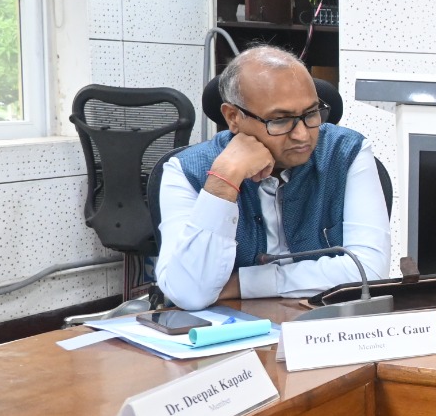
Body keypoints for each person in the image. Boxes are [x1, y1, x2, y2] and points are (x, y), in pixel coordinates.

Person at [155, 45, 391, 310]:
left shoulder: (346, 152)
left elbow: (370, 269)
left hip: (325, 325)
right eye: (280, 120)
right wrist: (223, 181)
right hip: (229, 327)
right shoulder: (185, 170)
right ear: (233, 117)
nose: (302, 135)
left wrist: (245, 283)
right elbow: (189, 293)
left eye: (311, 113)